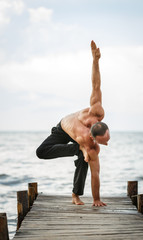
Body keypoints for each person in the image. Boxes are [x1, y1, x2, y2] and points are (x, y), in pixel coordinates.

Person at [36, 40, 110, 207]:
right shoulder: (89, 143)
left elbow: (96, 84)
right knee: (41, 151)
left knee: (85, 160)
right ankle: (78, 149)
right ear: (94, 137)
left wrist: (96, 61)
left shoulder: (97, 111)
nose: (106, 144)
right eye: (104, 142)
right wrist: (81, 147)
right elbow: (96, 172)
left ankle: (75, 195)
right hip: (63, 128)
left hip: (79, 135)